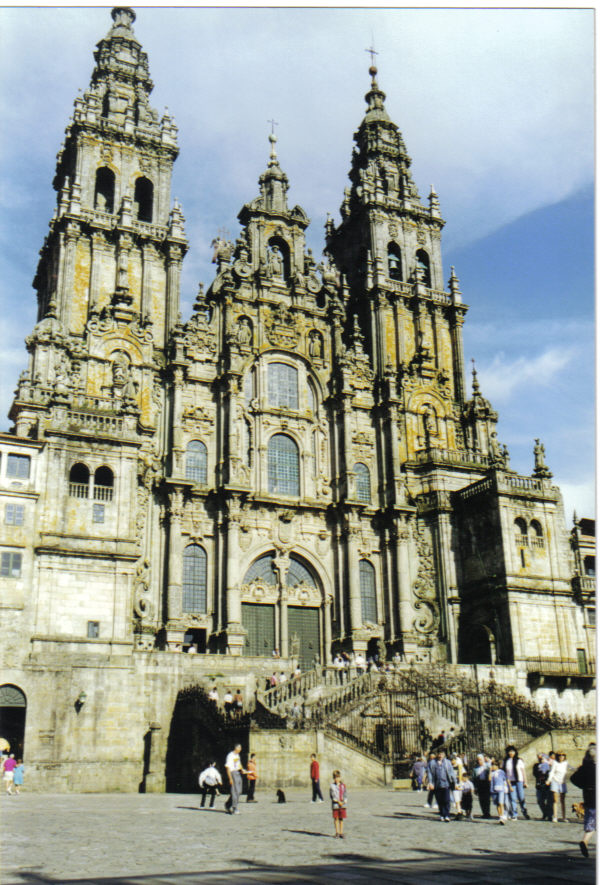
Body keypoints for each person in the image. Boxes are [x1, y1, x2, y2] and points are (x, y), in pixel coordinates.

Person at [573, 743, 596, 857]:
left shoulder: (584, 768)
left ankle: (585, 841)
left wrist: (584, 785)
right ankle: (585, 841)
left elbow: (573, 778)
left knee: (591, 822)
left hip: (588, 797)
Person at [427, 749, 456, 822]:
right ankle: (442, 814)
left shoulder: (447, 762)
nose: (440, 756)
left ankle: (447, 815)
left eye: (442, 754)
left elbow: (451, 772)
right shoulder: (432, 763)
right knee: (439, 800)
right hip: (437, 784)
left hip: (446, 783)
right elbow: (430, 773)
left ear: (444, 755)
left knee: (446, 799)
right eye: (439, 754)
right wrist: (430, 783)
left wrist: (455, 782)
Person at [502, 745, 529, 820]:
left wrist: (525, 781)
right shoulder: (505, 761)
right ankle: (514, 814)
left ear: (515, 752)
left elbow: (523, 772)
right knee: (512, 798)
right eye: (509, 751)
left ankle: (524, 811)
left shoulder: (519, 760)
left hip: (519, 781)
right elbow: (504, 772)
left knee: (521, 797)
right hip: (510, 782)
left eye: (512, 751)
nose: (511, 753)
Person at [547, 751, 569, 822]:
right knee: (555, 800)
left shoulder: (566, 763)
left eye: (562, 755)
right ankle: (555, 816)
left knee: (562, 800)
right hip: (555, 781)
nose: (561, 757)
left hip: (562, 782)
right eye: (560, 755)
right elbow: (552, 772)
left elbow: (571, 768)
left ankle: (564, 817)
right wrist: (549, 780)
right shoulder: (555, 763)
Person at [224, 743, 246, 815]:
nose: (240, 749)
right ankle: (234, 807)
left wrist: (242, 770)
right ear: (236, 748)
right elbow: (228, 767)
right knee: (235, 791)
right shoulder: (230, 756)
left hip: (238, 773)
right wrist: (230, 778)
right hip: (233, 773)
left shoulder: (237, 755)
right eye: (239, 748)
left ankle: (228, 804)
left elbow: (239, 764)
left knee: (239, 791)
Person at [533, 752, 552, 821]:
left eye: (542, 758)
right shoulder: (536, 765)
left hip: (547, 784)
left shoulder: (549, 766)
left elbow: (550, 774)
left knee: (549, 800)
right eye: (539, 758)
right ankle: (545, 813)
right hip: (539, 784)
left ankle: (550, 815)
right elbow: (535, 773)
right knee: (540, 800)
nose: (541, 759)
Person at [489, 760, 508, 824]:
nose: (493, 766)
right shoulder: (492, 773)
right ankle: (500, 815)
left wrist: (506, 787)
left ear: (497, 766)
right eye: (492, 765)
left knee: (501, 803)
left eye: (494, 765)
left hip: (501, 789)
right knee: (497, 804)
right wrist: (490, 771)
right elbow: (489, 779)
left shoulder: (501, 772)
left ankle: (502, 816)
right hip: (493, 790)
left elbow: (504, 779)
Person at [330, 769, 347, 838]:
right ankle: (337, 832)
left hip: (342, 805)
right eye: (336, 777)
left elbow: (345, 794)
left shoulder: (343, 786)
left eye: (338, 777)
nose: (337, 779)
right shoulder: (332, 786)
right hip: (336, 804)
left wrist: (344, 801)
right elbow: (332, 796)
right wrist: (337, 801)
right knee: (336, 818)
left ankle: (341, 832)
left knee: (341, 818)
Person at [473, 754, 491, 818]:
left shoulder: (488, 766)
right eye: (478, 760)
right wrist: (475, 787)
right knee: (481, 799)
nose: (479, 761)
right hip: (480, 784)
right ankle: (484, 812)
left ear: (483, 759)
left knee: (487, 799)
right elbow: (474, 778)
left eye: (480, 760)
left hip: (486, 783)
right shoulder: (475, 768)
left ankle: (487, 812)